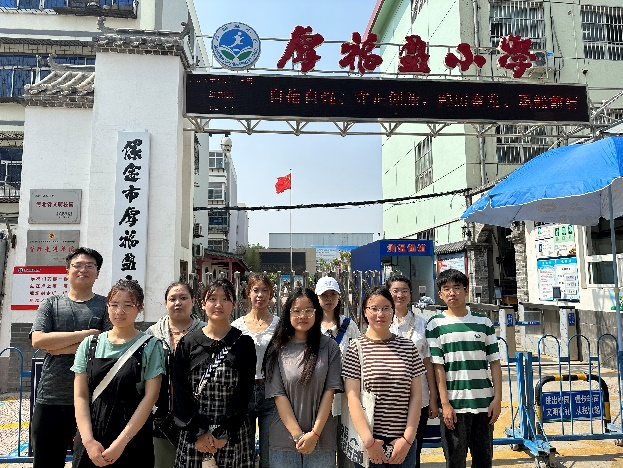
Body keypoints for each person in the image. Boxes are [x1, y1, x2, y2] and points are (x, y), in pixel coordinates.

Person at [72, 279, 165, 467]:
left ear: (140, 308)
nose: (119, 311)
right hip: (92, 439)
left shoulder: (151, 346)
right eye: (114, 304)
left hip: (132, 439)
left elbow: (151, 397)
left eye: (128, 305)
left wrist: (121, 443)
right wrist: (88, 442)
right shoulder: (90, 345)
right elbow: (80, 395)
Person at [30, 247, 109, 468]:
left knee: (91, 462)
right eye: (77, 265)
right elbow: (38, 340)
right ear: (67, 271)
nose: (83, 269)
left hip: (94, 399)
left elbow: (107, 346)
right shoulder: (50, 303)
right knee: (46, 462)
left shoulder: (106, 306)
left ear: (97, 273)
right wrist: (88, 334)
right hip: (52, 396)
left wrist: (57, 347)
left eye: (90, 266)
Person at [173, 278, 256, 468]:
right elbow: (180, 391)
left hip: (231, 434)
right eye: (212, 299)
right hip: (194, 434)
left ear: (234, 304)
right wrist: (199, 433)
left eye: (225, 299)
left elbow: (244, 392)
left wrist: (224, 432)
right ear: (203, 304)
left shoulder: (244, 344)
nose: (218, 304)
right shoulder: (188, 343)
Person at [426, 269, 502, 468]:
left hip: (484, 405)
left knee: (484, 462)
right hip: (454, 405)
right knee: (455, 462)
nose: (452, 293)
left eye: (457, 287)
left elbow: (495, 362)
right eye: (446, 289)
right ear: (440, 294)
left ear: (466, 290)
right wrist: (445, 404)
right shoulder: (435, 325)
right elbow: (438, 367)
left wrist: (497, 399)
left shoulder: (483, 322)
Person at [342, 287, 425, 468]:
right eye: (374, 308)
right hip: (369, 442)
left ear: (393, 311)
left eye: (386, 308)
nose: (380, 314)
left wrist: (407, 439)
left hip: (402, 443)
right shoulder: (355, 348)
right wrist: (369, 441)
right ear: (365, 312)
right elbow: (352, 397)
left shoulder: (408, 347)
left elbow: (416, 396)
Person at [263, 288, 343, 468]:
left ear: (316, 312)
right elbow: (278, 395)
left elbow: (329, 393)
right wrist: (298, 436)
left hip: (322, 439)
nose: (302, 316)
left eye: (308, 310)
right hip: (283, 441)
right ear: (288, 313)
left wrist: (314, 434)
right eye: (296, 311)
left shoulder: (329, 347)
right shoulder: (277, 348)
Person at [146, 282, 206, 468]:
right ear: (166, 303)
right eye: (172, 299)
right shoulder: (152, 334)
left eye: (183, 298)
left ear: (193, 301)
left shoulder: (206, 332)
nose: (178, 303)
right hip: (161, 417)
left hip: (199, 418)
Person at [386, 275, 438, 468]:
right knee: (388, 450)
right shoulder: (380, 322)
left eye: (404, 291)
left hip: (419, 397)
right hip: (388, 400)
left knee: (414, 449)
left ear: (410, 294)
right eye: (395, 291)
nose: (400, 295)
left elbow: (428, 363)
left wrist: (433, 398)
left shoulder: (422, 324)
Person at [231, 273, 279, 467]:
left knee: (269, 452)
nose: (260, 295)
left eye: (265, 290)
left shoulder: (279, 325)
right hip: (245, 391)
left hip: (270, 392)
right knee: (245, 450)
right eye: (256, 290)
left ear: (270, 294)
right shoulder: (236, 326)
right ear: (248, 293)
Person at [316, 276, 360, 468]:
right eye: (324, 295)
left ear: (339, 297)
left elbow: (359, 357)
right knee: (323, 450)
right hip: (319, 397)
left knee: (346, 452)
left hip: (346, 398)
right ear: (317, 298)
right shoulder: (311, 325)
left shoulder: (349, 325)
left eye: (332, 294)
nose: (328, 299)